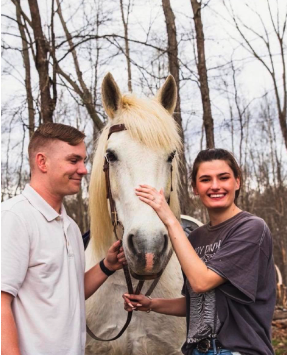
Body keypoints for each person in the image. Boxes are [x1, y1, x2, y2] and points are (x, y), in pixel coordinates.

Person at [123, 148, 276, 355]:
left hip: (237, 350)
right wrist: (151, 303)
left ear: (237, 182)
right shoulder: (196, 238)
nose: (215, 186)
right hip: (197, 350)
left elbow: (202, 282)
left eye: (223, 178)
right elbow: (196, 304)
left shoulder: (251, 228)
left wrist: (168, 218)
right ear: (195, 188)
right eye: (205, 180)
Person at [1, 123, 126, 355]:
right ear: (42, 162)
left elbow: (70, 292)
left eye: (84, 161)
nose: (83, 170)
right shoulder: (14, 217)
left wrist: (106, 266)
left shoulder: (70, 226)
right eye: (73, 160)